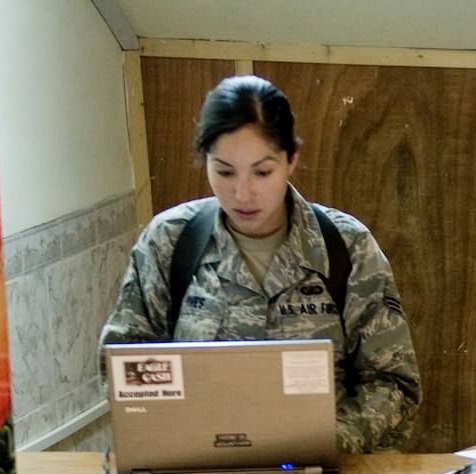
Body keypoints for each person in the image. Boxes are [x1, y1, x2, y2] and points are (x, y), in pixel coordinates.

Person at [101, 75, 420, 454]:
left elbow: (392, 383)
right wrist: (178, 430)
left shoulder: (346, 246)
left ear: (292, 160)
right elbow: (122, 368)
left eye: (263, 172)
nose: (243, 193)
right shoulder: (170, 242)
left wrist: (327, 441)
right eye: (224, 172)